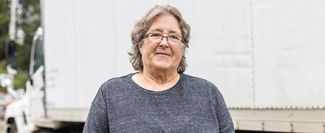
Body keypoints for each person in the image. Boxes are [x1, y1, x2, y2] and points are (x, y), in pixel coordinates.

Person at [83, 4, 234, 133]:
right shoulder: (111, 94)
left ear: (183, 48)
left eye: (174, 37)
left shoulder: (208, 94)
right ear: (140, 44)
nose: (164, 43)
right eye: (156, 34)